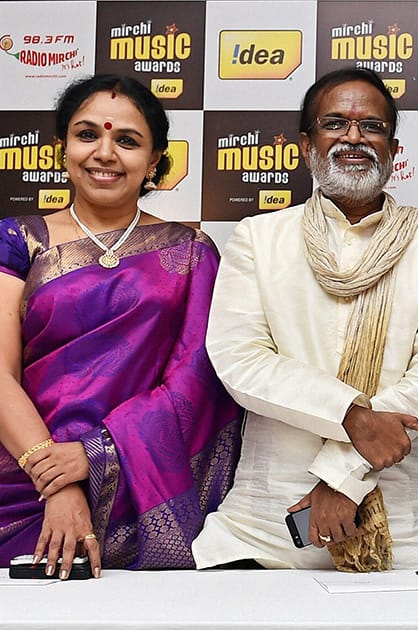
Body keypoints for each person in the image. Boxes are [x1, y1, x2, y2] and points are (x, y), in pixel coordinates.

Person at [191, 68, 418, 571]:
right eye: (335, 123)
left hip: (404, 523)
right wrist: (352, 416)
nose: (354, 137)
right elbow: (241, 359)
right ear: (305, 144)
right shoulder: (259, 237)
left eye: (372, 127)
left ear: (394, 149)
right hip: (271, 518)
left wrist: (342, 478)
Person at [0, 74, 242, 579]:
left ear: (155, 162)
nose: (104, 152)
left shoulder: (192, 253)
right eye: (87, 134)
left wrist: (94, 454)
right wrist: (57, 480)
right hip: (25, 483)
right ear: (61, 147)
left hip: (144, 488)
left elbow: (197, 383)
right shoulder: (18, 241)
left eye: (126, 141)